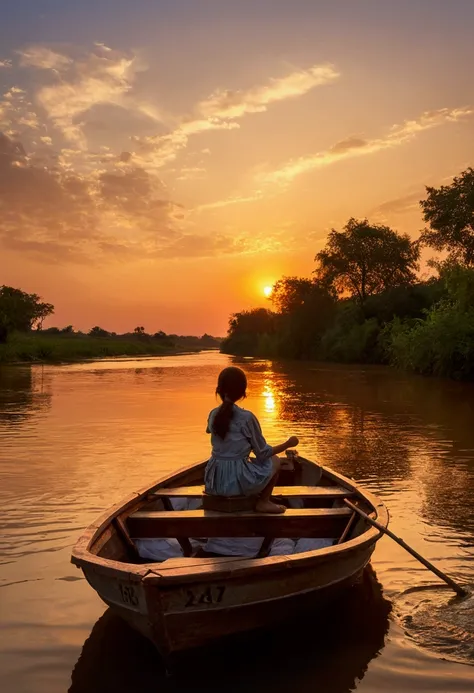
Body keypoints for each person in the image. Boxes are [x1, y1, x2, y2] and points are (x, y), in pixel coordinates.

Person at [204, 366, 299, 514]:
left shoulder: (213, 414)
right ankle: (264, 502)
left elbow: (209, 430)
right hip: (235, 482)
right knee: (274, 460)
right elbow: (263, 453)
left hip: (213, 482)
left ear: (219, 390)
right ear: (243, 393)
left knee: (254, 462)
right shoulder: (247, 418)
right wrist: (288, 443)